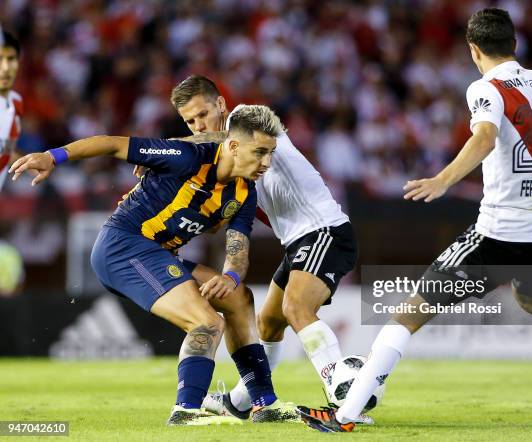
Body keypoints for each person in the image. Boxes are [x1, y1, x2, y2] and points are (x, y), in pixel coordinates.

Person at [296, 8, 532, 432]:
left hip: (498, 237)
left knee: (407, 314)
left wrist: (443, 179)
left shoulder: (485, 88)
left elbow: (482, 137)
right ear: (515, 44)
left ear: (473, 49)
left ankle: (346, 415)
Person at [10, 105, 298, 425]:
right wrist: (53, 157)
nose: (266, 163)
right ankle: (186, 411)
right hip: (123, 247)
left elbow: (238, 246)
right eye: (259, 152)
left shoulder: (244, 194)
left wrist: (230, 275)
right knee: (206, 323)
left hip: (156, 256)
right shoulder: (186, 157)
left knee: (238, 297)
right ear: (232, 146)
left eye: (270, 154)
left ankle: (264, 403)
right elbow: (113, 143)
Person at [156, 75, 363, 423]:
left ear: (221, 104)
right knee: (268, 325)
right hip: (298, 241)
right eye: (190, 121)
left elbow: (219, 139)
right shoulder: (233, 163)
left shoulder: (249, 119)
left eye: (203, 114)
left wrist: (171, 147)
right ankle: (240, 401)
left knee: (295, 306)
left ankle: (343, 391)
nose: (199, 124)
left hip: (323, 230)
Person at [0, 30, 23, 191]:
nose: (6, 67)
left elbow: (6, 151)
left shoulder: (16, 102)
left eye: (11, 59)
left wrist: (29, 164)